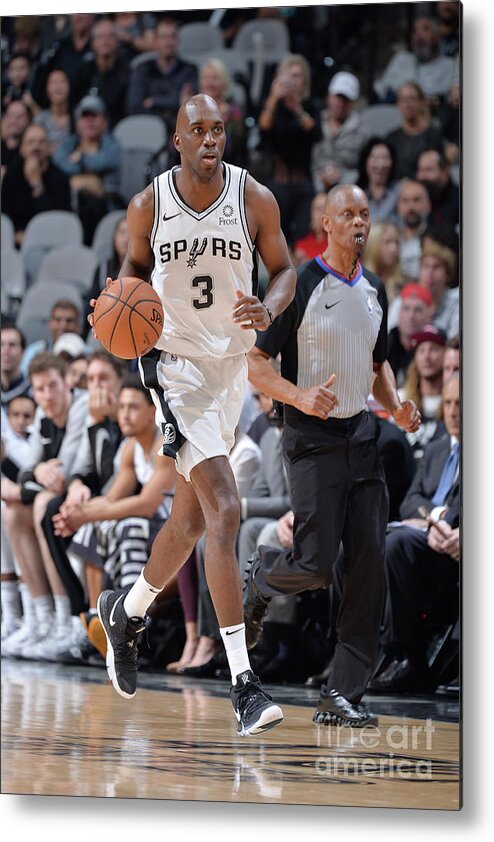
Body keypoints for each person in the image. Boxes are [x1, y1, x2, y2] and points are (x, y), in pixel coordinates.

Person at [90, 94, 296, 736]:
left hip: (230, 367)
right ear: (177, 140)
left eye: (218, 129)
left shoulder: (254, 197)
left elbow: (284, 271)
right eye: (197, 130)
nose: (210, 139)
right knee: (225, 510)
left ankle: (127, 611)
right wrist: (122, 304)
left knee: (184, 523)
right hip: (172, 365)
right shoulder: (149, 204)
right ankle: (245, 685)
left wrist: (269, 308)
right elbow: (130, 272)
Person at [243, 183, 421, 727]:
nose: (359, 223)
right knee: (316, 565)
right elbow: (256, 364)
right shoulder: (299, 285)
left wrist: (396, 405)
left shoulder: (375, 289)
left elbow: (376, 363)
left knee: (368, 567)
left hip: (362, 435)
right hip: (311, 439)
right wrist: (298, 396)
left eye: (365, 214)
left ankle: (343, 694)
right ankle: (261, 577)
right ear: (326, 222)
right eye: (348, 214)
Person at [369, 371, 460, 694]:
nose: (453, 411)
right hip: (428, 536)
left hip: (453, 547)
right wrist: (433, 518)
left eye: (461, 403)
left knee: (397, 544)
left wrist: (452, 528)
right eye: (448, 402)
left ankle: (408, 658)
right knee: (360, 545)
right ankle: (352, 653)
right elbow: (411, 501)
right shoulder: (437, 447)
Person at [1, 352, 89, 660]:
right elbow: (30, 469)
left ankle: (68, 621)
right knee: (13, 511)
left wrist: (33, 478)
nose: (47, 395)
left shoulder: (82, 407)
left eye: (52, 385)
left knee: (39, 504)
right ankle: (41, 619)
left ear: (66, 382)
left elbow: (64, 476)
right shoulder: (42, 415)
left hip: (87, 496)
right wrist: (37, 471)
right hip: (56, 499)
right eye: (40, 389)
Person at [257, 53, 321, 248]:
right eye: (289, 75)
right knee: (274, 240)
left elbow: (316, 133)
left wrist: (297, 109)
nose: (293, 81)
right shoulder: (273, 107)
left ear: (305, 81)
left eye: (298, 76)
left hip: (303, 184)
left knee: (303, 241)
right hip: (277, 183)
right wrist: (274, 97)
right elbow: (263, 132)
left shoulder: (310, 106)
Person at [53, 94, 122, 244]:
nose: (89, 120)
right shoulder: (69, 143)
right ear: (77, 122)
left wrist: (81, 159)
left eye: (95, 115)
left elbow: (109, 160)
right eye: (85, 116)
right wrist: (86, 179)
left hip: (107, 211)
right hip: (71, 209)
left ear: (104, 122)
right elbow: (58, 162)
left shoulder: (113, 144)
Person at [1, 122, 71, 247]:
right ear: (22, 149)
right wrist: (15, 234)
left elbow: (57, 220)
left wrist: (36, 183)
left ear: (49, 148)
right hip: (14, 242)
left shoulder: (60, 178)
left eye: (41, 142)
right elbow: (4, 212)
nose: (36, 147)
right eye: (31, 142)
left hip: (49, 242)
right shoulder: (12, 175)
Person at [125, 17, 198, 136]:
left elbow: (189, 107)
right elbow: (134, 107)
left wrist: (154, 101)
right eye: (164, 37)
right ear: (155, 41)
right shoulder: (141, 70)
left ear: (178, 40)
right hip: (146, 132)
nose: (168, 42)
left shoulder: (190, 70)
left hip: (180, 133)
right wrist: (167, 116)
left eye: (172, 36)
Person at [373, 15, 456, 105]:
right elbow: (382, 90)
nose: (419, 35)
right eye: (415, 31)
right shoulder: (402, 59)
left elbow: (447, 99)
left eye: (425, 29)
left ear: (437, 37)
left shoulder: (449, 65)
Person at [311, 71, 368, 192]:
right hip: (313, 187)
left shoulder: (363, 131)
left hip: (348, 189)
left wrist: (342, 175)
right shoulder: (314, 123)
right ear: (329, 96)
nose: (340, 103)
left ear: (353, 102)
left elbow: (364, 169)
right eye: (337, 97)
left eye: (345, 99)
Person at [399, 323, 447, 462]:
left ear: (446, 354)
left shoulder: (453, 401)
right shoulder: (400, 399)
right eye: (421, 350)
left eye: (433, 349)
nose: (427, 356)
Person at [73, 17, 130, 129]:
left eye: (110, 36)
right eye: (101, 36)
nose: (105, 40)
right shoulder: (83, 72)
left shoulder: (127, 72)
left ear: (117, 41)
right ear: (93, 42)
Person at [386, 82, 445, 181]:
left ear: (421, 103)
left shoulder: (434, 136)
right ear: (398, 104)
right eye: (403, 99)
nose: (407, 104)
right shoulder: (391, 138)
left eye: (412, 99)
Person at [198, 58, 247, 168]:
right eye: (206, 78)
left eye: (215, 78)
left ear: (224, 82)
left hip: (226, 169)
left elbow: (235, 147)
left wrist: (223, 122)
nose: (210, 83)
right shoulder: (192, 110)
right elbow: (175, 147)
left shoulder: (234, 112)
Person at [387, 283, 433, 387]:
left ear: (429, 316)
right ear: (399, 313)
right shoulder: (386, 344)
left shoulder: (434, 347)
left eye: (418, 310)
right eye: (406, 309)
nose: (411, 316)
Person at [356, 137, 401, 225]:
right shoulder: (355, 195)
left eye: (385, 158)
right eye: (375, 158)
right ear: (365, 162)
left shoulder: (400, 191)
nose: (381, 164)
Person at [396, 178, 432, 281]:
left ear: (428, 205)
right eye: (405, 201)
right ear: (398, 206)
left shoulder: (439, 237)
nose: (411, 207)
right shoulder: (390, 236)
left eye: (416, 200)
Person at [32, 69, 73, 155]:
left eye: (62, 81)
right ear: (47, 89)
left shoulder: (77, 118)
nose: (58, 86)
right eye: (53, 82)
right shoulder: (40, 119)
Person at [416, 148, 460, 228]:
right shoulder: (416, 196)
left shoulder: (459, 200)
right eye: (420, 169)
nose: (421, 176)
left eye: (428, 170)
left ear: (445, 172)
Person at [362, 221, 403, 304]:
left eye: (397, 243)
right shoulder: (359, 282)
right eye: (388, 242)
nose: (394, 248)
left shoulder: (403, 283)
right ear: (373, 245)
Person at [292, 191, 328, 266]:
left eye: (325, 208)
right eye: (318, 209)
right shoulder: (301, 246)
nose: (322, 213)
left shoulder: (338, 245)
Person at [1, 322, 31, 407]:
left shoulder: (33, 392)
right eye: (1, 344)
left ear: (23, 352)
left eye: (12, 345)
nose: (5, 351)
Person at [0, 99, 32, 178]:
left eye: (20, 116)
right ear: (5, 118)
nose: (14, 121)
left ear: (28, 120)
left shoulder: (32, 151)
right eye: (11, 115)